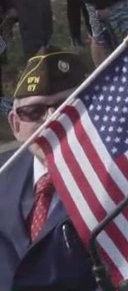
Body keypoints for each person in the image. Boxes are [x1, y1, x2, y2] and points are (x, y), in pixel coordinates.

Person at [0, 50, 98, 291]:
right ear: (15, 124)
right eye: (34, 112)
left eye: (68, 107)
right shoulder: (4, 178)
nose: (52, 119)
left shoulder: (121, 181)